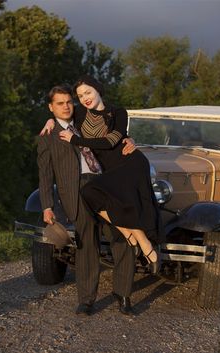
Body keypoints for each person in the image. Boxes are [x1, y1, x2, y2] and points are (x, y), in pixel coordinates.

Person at [38, 84, 136, 317]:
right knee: (87, 243)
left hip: (106, 184)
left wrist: (129, 139)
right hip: (76, 192)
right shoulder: (47, 137)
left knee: (121, 234)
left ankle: (122, 293)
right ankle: (86, 300)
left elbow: (111, 135)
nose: (66, 107)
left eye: (69, 102)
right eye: (60, 103)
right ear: (51, 108)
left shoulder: (84, 122)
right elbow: (45, 174)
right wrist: (47, 205)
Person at [57, 76, 165, 272]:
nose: (85, 98)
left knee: (112, 198)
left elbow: (110, 142)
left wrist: (76, 140)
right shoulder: (80, 112)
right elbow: (59, 115)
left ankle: (141, 244)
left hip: (131, 163)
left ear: (98, 90)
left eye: (88, 93)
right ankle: (137, 238)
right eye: (80, 96)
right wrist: (49, 121)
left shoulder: (118, 112)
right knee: (89, 194)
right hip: (109, 169)